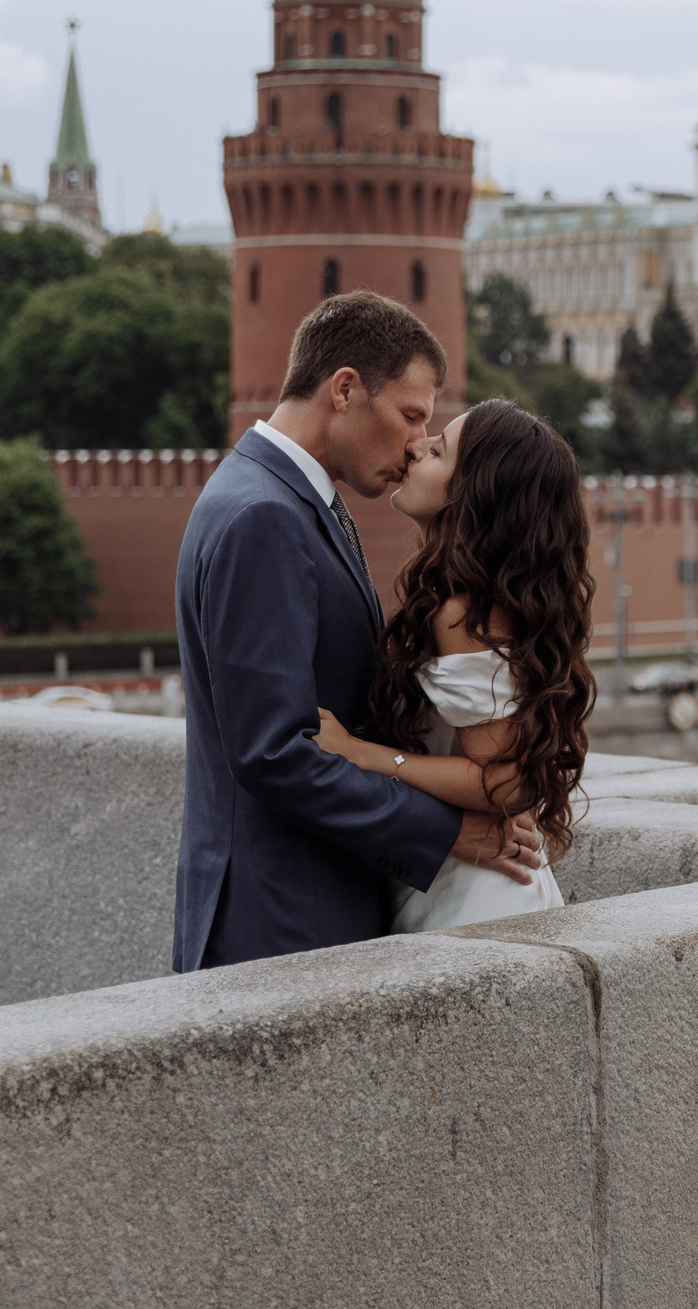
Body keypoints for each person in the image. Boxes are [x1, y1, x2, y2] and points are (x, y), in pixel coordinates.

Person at [172, 293, 543, 972]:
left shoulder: (283, 498)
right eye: (409, 416)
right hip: (284, 925)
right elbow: (275, 752)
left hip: (303, 914)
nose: (413, 444)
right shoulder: (266, 515)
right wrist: (448, 830)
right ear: (344, 388)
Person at [306, 398, 595, 931]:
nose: (415, 447)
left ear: (475, 495)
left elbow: (505, 784)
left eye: (438, 450)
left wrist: (359, 754)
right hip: (477, 885)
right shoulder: (478, 599)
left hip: (474, 901)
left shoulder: (462, 610)